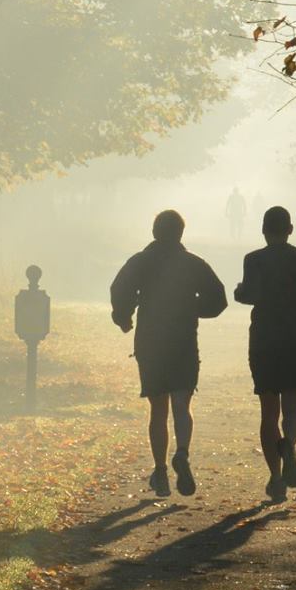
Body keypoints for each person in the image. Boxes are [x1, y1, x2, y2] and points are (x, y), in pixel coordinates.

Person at [110, 210, 227, 497]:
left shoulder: (140, 262)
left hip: (150, 341)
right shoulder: (193, 264)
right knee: (182, 404)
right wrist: (194, 309)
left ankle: (160, 471)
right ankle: (183, 454)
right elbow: (218, 298)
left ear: (154, 232)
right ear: (181, 234)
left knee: (157, 408)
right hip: (183, 340)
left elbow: (119, 289)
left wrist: (124, 317)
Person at [234, 205, 296, 501]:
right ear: (290, 229)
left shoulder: (253, 259)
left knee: (268, 413)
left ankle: (276, 479)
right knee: (293, 409)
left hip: (264, 340)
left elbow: (249, 295)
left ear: (264, 231)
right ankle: (288, 442)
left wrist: (241, 293)